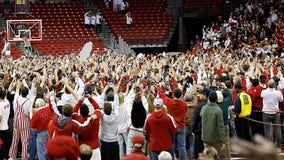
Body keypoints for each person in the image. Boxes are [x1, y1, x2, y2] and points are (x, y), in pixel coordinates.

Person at [156, 82, 187, 160]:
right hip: (181, 126)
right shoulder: (184, 104)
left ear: (173, 95)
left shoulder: (169, 102)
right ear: (181, 95)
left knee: (172, 145)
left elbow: (162, 95)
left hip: (172, 127)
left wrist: (158, 87)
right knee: (182, 146)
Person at [9, 81, 36, 160]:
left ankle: (12, 156)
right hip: (24, 122)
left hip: (16, 120)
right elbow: (27, 113)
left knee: (15, 139)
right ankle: (24, 157)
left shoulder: (16, 98)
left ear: (21, 92)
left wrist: (18, 84)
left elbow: (17, 91)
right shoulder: (28, 102)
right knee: (25, 141)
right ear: (27, 94)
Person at [200, 91, 226, 159]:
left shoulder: (204, 108)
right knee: (219, 156)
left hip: (205, 137)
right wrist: (223, 141)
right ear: (217, 99)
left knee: (207, 157)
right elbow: (220, 127)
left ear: (208, 98)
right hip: (215, 138)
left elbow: (201, 115)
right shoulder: (218, 110)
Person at [261, 79, 283, 151]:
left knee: (267, 130)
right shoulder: (278, 92)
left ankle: (268, 147)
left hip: (266, 113)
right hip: (275, 113)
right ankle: (278, 147)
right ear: (274, 85)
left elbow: (261, 95)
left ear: (268, 84)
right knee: (277, 129)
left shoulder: (264, 92)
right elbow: (281, 100)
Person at [100, 89, 120, 160]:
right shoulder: (116, 115)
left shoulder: (101, 116)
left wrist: (104, 90)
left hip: (104, 141)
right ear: (112, 109)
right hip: (114, 141)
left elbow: (100, 104)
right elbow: (117, 104)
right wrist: (115, 92)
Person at [192, 87, 210, 159]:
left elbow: (195, 119)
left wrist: (193, 129)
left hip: (199, 130)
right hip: (208, 129)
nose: (200, 95)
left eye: (201, 94)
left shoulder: (199, 105)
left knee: (198, 149)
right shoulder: (210, 104)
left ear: (205, 95)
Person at [216, 82, 232, 159]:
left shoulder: (215, 106)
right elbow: (229, 95)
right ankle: (228, 158)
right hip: (225, 125)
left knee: (218, 144)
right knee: (227, 143)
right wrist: (225, 87)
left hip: (217, 127)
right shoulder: (226, 102)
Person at [0, 88, 10, 160]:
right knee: (6, 144)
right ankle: (6, 156)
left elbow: (0, 119)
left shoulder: (0, 105)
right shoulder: (7, 102)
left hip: (1, 128)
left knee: (1, 145)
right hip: (6, 126)